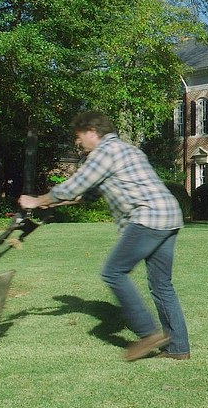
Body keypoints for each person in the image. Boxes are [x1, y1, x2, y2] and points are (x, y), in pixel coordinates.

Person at [19, 112, 190, 361]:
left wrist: (35, 200)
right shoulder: (126, 150)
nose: (78, 142)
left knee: (113, 272)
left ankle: (148, 334)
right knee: (162, 284)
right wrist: (48, 203)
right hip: (169, 216)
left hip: (147, 217)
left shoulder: (104, 152)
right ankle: (178, 348)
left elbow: (74, 186)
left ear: (92, 131)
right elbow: (86, 194)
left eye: (79, 136)